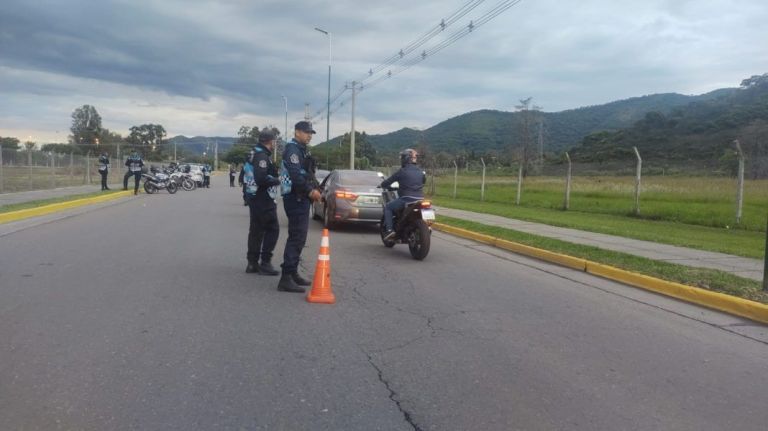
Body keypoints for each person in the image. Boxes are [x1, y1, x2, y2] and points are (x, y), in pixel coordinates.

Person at [277, 121, 321, 293]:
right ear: (297, 132)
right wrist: (311, 192)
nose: (309, 135)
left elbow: (307, 173)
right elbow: (295, 175)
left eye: (311, 133)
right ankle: (286, 277)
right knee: (297, 237)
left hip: (300, 197)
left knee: (298, 237)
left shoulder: (301, 150)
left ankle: (292, 272)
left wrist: (315, 187)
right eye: (306, 132)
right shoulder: (292, 150)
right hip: (296, 197)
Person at [244, 131, 282, 276]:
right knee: (273, 229)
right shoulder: (262, 156)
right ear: (270, 141)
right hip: (263, 198)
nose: (275, 144)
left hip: (254, 197)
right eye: (274, 141)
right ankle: (265, 262)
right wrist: (277, 180)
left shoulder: (254, 152)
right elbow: (261, 178)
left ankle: (252, 263)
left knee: (256, 230)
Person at [380, 148, 426, 240]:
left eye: (402, 158)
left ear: (405, 159)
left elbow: (389, 181)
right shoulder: (421, 171)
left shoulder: (402, 171)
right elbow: (423, 181)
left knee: (388, 207)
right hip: (420, 199)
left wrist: (382, 184)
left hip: (406, 198)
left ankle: (389, 230)